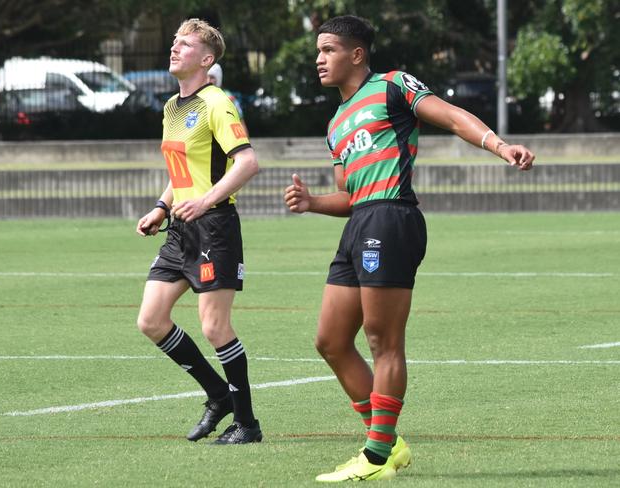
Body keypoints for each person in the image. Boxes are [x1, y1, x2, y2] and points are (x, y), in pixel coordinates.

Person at [284, 15, 534, 482]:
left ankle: (377, 457)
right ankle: (389, 444)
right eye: (318, 51)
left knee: (383, 342)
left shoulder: (392, 86)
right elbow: (351, 195)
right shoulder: (336, 122)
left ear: (356, 54)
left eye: (329, 50)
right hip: (360, 222)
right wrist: (314, 203)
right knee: (331, 341)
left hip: (392, 217)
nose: (319, 59)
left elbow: (452, 115)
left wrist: (500, 146)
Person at [136, 18, 262, 444]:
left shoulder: (217, 102)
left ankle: (246, 423)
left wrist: (205, 201)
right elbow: (182, 171)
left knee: (214, 327)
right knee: (151, 320)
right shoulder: (173, 107)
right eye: (174, 41)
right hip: (179, 227)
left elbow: (247, 163)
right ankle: (217, 395)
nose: (175, 48)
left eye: (185, 44)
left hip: (214, 227)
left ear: (206, 59)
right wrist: (161, 207)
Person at [207, 63, 249, 135]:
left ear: (218, 79)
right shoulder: (200, 96)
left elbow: (241, 121)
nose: (208, 80)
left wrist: (246, 144)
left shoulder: (229, 97)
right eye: (206, 77)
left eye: (212, 77)